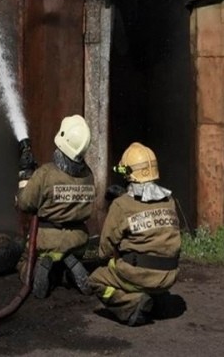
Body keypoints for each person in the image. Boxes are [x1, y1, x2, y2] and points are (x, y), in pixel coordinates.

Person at [87, 142, 181, 326]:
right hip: (170, 275)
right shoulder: (169, 201)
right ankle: (158, 300)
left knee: (96, 280)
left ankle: (132, 304)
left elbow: (105, 249)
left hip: (139, 275)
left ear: (129, 174)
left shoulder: (121, 205)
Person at [15, 115, 96, 298]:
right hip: (77, 240)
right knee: (64, 267)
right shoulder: (89, 175)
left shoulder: (45, 173)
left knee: (23, 263)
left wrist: (25, 175)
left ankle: (39, 268)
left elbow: (25, 203)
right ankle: (70, 263)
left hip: (46, 240)